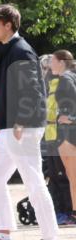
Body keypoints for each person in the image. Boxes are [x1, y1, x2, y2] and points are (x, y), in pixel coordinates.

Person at [0, 4, 60, 240]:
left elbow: (32, 89)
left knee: (33, 182)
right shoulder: (11, 49)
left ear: (8, 24)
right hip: (10, 127)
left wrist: (21, 120)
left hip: (22, 126)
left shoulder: (20, 51)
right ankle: (4, 236)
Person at [48, 50, 76, 222]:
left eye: (52, 60)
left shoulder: (66, 79)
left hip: (68, 134)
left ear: (61, 62)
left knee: (72, 176)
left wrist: (71, 118)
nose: (50, 64)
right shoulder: (70, 77)